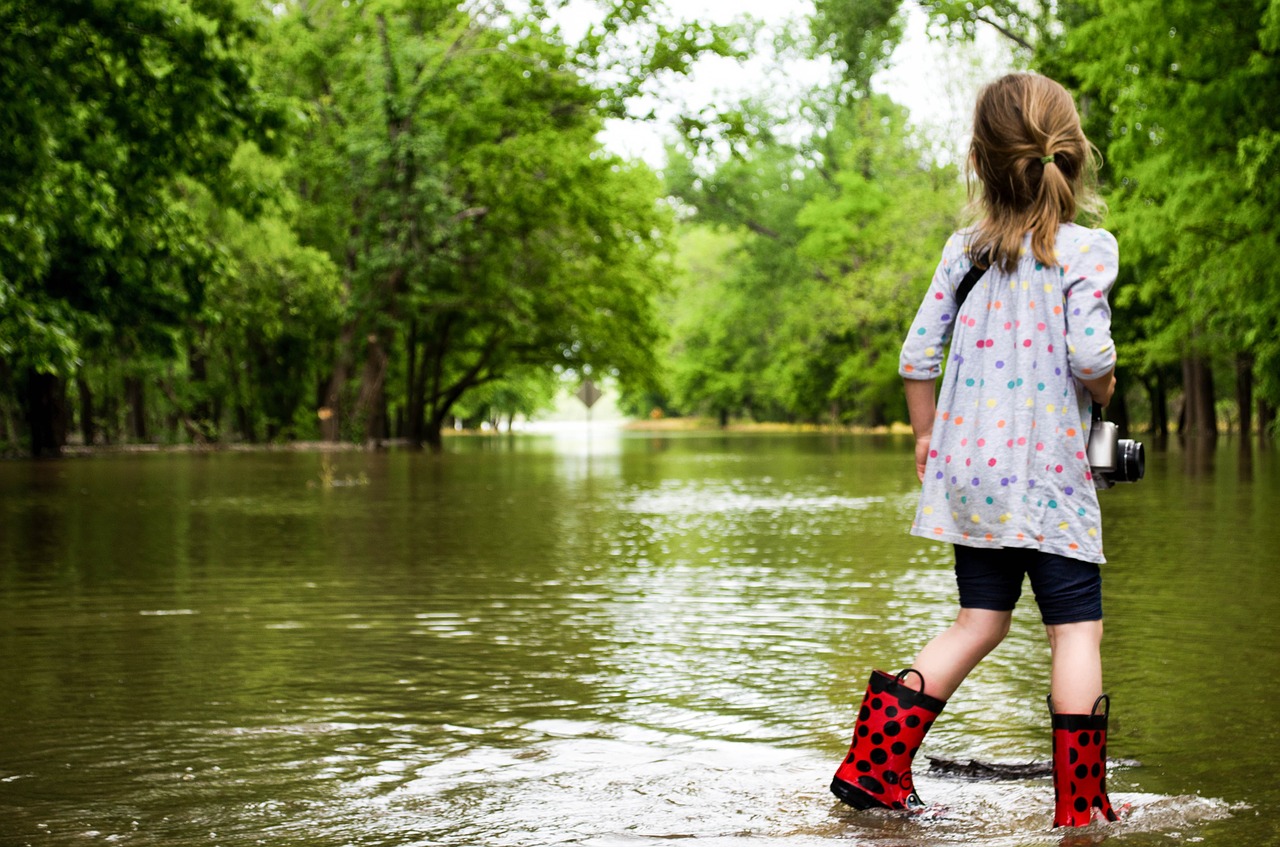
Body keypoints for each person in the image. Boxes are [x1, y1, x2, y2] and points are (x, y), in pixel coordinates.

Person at [830, 73, 1122, 829]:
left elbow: (915, 357)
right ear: (1071, 155)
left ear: (982, 161)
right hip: (1050, 477)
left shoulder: (965, 252)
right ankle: (1081, 806)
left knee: (978, 621)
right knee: (1075, 632)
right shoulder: (1086, 250)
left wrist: (927, 434)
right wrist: (1107, 385)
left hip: (973, 476)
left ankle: (873, 768)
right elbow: (1091, 357)